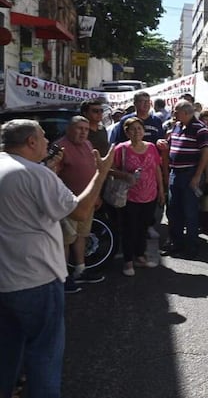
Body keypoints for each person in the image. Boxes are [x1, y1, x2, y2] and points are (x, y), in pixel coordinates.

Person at [0, 120, 113, 398]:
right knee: (44, 356)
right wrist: (102, 173)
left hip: (5, 280)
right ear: (30, 142)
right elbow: (81, 211)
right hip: (36, 280)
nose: (47, 141)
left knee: (8, 350)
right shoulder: (36, 174)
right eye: (42, 136)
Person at [56, 116, 105, 286]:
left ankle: (80, 270)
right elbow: (52, 177)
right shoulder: (60, 148)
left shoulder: (88, 145)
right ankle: (63, 277)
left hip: (87, 203)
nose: (83, 132)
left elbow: (91, 171)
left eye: (86, 129)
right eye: (79, 128)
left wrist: (96, 195)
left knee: (81, 236)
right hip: (68, 204)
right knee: (65, 240)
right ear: (69, 129)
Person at [113, 118, 164, 276]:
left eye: (139, 129)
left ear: (144, 131)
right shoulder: (121, 149)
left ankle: (139, 256)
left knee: (143, 228)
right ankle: (128, 261)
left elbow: (157, 169)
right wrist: (125, 175)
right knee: (129, 229)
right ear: (127, 132)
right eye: (132, 129)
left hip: (150, 195)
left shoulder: (151, 147)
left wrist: (161, 190)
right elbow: (109, 169)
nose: (136, 132)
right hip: (129, 196)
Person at [163, 100, 208, 257]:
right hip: (174, 174)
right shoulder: (176, 126)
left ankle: (191, 247)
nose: (173, 114)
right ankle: (176, 243)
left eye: (176, 111)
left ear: (186, 112)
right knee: (173, 210)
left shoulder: (200, 129)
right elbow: (171, 146)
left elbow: (205, 154)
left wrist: (197, 176)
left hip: (190, 174)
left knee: (190, 212)